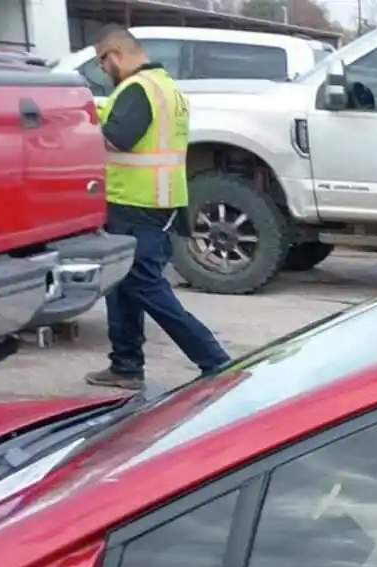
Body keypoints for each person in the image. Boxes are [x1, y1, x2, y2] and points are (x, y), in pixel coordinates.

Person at [84, 28, 229, 391]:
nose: (104, 72)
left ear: (112, 56)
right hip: (156, 200)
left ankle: (215, 360)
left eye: (102, 63)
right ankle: (126, 366)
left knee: (146, 286)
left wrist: (84, 120)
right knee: (121, 284)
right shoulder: (165, 88)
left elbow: (118, 137)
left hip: (137, 202)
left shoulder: (137, 90)